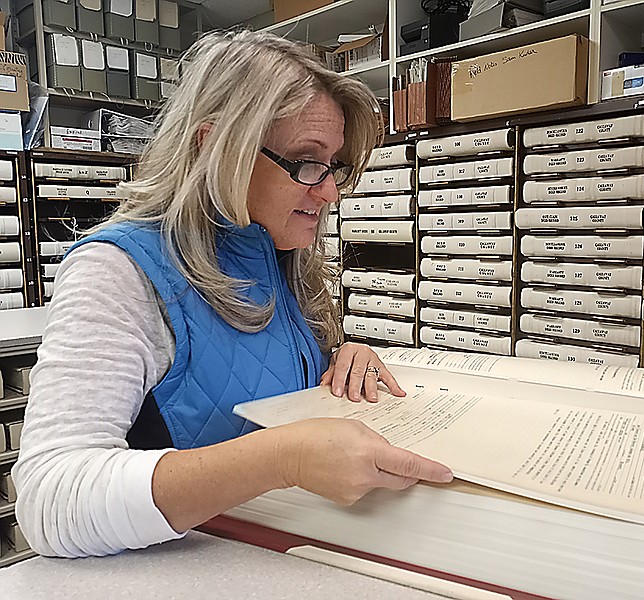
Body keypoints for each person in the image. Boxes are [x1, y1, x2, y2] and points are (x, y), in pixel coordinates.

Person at [12, 30, 452, 559]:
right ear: (215, 148)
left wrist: (339, 359)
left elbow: (250, 380)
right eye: (307, 162)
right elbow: (49, 501)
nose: (330, 191)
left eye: (333, 166)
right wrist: (280, 458)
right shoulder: (118, 270)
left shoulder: (279, 254)